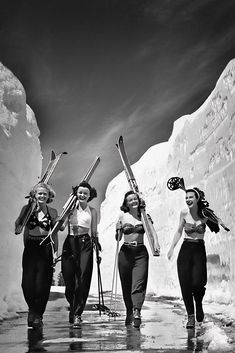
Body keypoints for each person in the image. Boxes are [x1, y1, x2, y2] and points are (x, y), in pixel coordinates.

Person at [167, 186, 229, 329]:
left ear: (197, 199)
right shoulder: (183, 213)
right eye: (186, 197)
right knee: (185, 283)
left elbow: (216, 219)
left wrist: (221, 223)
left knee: (198, 283)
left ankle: (199, 304)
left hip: (199, 250)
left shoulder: (204, 214)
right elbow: (178, 231)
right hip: (185, 249)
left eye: (191, 197)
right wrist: (171, 248)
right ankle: (190, 316)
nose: (188, 199)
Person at [15, 182, 58, 329]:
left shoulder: (52, 212)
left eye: (45, 194)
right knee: (26, 283)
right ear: (34, 194)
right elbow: (20, 229)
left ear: (49, 196)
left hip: (45, 247)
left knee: (42, 284)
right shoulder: (27, 210)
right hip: (31, 248)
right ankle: (32, 309)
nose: (42, 196)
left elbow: (55, 234)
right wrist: (27, 246)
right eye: (39, 193)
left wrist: (56, 252)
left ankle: (38, 315)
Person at [115, 190, 160, 328]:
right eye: (130, 200)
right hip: (125, 253)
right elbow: (118, 238)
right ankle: (129, 310)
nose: (133, 201)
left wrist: (156, 243)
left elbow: (152, 231)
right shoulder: (122, 216)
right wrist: (118, 230)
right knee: (126, 285)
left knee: (139, 283)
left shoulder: (145, 216)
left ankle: (137, 311)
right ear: (126, 203)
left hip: (140, 252)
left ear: (138, 200)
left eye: (135, 199)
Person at [61, 181, 100, 329]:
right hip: (70, 242)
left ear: (90, 195)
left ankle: (77, 313)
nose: (82, 195)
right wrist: (63, 216)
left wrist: (97, 244)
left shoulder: (92, 211)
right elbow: (62, 226)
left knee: (83, 278)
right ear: (76, 193)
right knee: (69, 279)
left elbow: (94, 230)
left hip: (86, 243)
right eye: (80, 192)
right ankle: (72, 305)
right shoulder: (70, 208)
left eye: (85, 193)